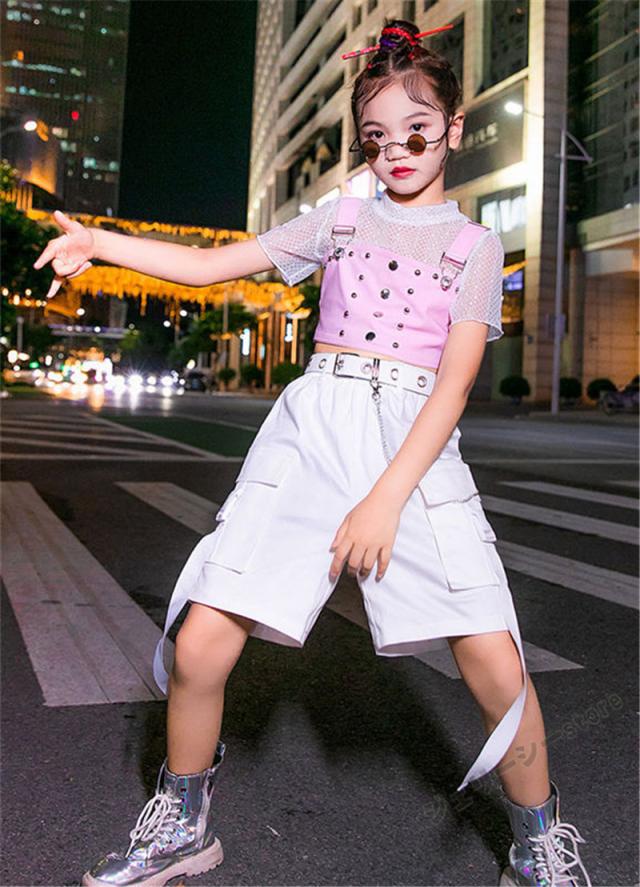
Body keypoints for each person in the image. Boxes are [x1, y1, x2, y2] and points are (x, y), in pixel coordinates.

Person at [33, 19, 592, 887]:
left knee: (494, 661)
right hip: (311, 431)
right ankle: (181, 826)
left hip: (411, 446)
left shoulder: (476, 248)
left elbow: (453, 388)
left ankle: (538, 842)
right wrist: (98, 243)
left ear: (453, 128)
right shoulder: (339, 218)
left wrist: (384, 499)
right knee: (201, 641)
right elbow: (210, 266)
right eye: (376, 136)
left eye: (416, 131)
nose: (396, 150)